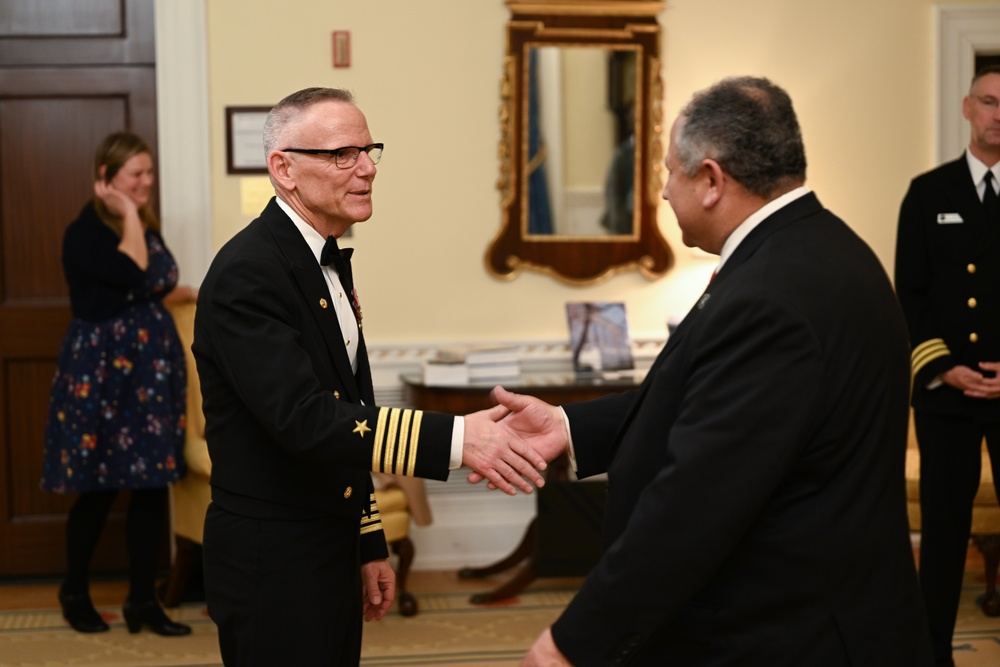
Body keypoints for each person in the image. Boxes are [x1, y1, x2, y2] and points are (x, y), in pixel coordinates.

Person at [481, 76, 935, 665]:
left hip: (788, 633)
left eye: (671, 172)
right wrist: (568, 427)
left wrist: (573, 643)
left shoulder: (771, 293)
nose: (665, 192)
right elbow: (700, 401)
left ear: (713, 180)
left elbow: (695, 499)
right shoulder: (815, 249)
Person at [192, 87, 548, 666]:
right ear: (284, 169)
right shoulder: (247, 273)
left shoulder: (318, 258)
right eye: (342, 155)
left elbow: (348, 404)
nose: (367, 168)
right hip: (274, 555)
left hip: (327, 541)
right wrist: (461, 439)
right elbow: (308, 421)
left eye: (368, 149)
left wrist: (368, 540)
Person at [41, 131, 195, 636]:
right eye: (136, 175)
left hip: (149, 373)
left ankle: (141, 602)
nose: (147, 182)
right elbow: (132, 273)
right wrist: (128, 212)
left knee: (152, 487)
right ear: (106, 180)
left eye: (149, 173)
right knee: (100, 488)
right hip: (103, 374)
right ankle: (74, 592)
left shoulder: (146, 228)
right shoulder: (85, 231)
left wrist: (206, 295)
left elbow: (159, 285)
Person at [895, 64, 1000, 667]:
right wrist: (946, 369)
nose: (996, 115)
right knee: (942, 536)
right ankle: (933, 654)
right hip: (946, 392)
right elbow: (908, 295)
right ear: (967, 108)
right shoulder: (928, 192)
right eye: (987, 102)